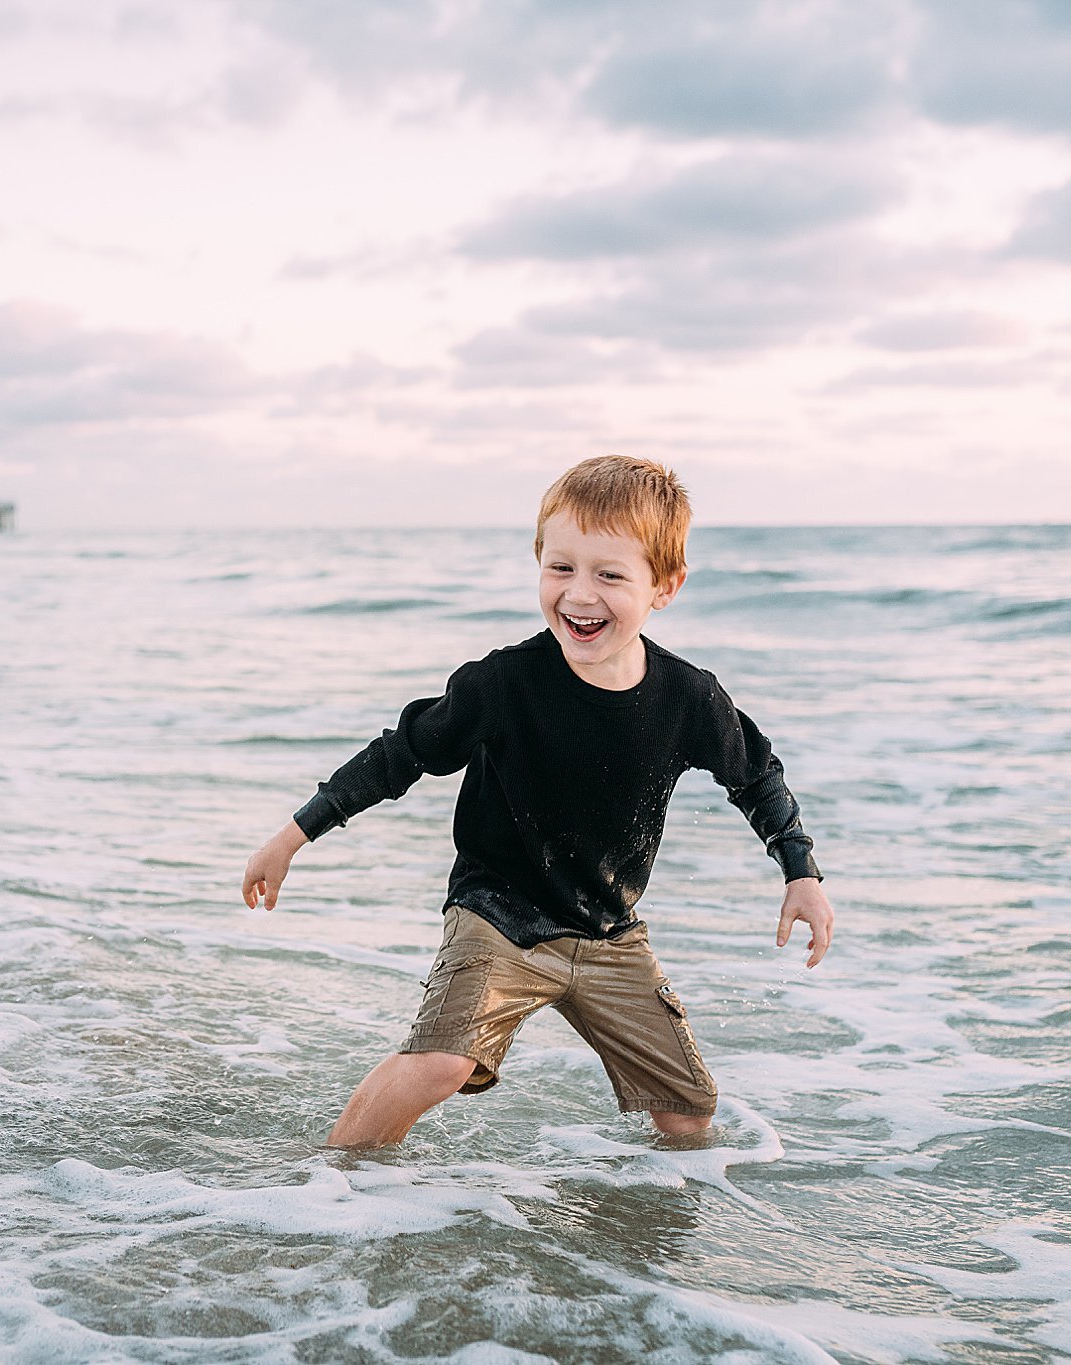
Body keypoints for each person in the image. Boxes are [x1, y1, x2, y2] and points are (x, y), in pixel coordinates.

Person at [240, 454, 836, 1149]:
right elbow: (400, 755)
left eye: (610, 574)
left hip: (608, 930)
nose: (579, 594)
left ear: (664, 586)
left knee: (687, 1109)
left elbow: (756, 777)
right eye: (561, 568)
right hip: (497, 913)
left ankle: (640, 1241)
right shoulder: (505, 682)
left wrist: (801, 873)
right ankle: (332, 1183)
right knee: (442, 1061)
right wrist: (292, 835)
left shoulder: (688, 698)